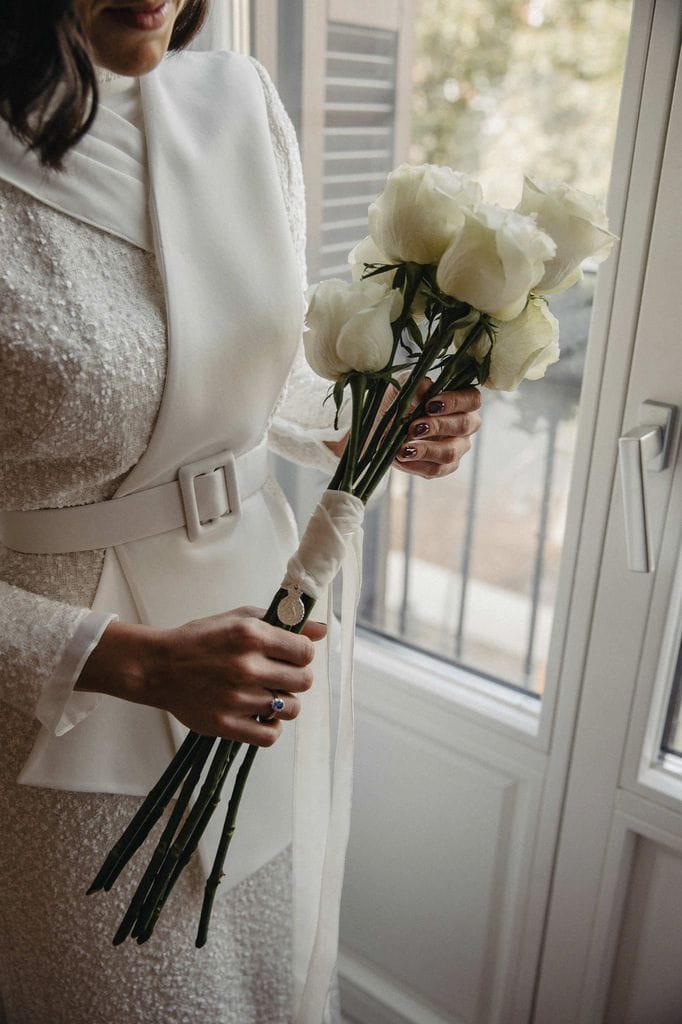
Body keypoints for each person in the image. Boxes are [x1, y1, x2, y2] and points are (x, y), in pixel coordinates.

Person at [0, 2, 482, 1022]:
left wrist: (365, 416)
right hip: (67, 707)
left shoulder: (241, 100)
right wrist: (124, 657)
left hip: (262, 649)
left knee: (263, 978)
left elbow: (236, 370)